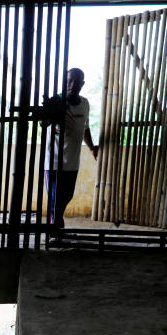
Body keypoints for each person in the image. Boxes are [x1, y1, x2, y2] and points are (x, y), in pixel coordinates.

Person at [45, 67, 99, 236]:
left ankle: (56, 226)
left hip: (72, 162)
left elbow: (85, 128)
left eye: (76, 81)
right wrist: (50, 112)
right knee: (55, 200)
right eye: (69, 80)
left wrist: (91, 147)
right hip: (53, 162)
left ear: (82, 84)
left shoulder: (84, 104)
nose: (72, 84)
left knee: (66, 197)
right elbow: (43, 123)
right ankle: (55, 230)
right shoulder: (56, 101)